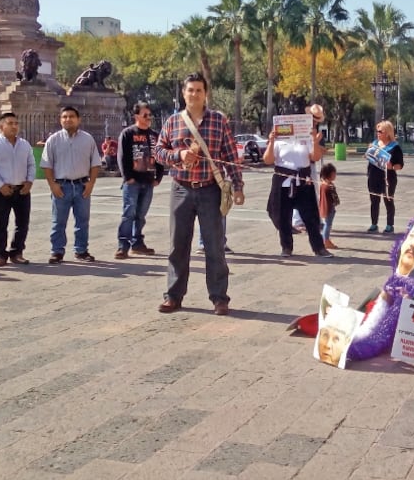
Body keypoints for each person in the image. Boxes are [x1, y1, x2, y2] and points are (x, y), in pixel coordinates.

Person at [153, 72, 245, 315]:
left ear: (206, 94)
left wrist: (238, 186)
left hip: (210, 190)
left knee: (215, 246)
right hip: (181, 188)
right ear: (183, 93)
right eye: (190, 90)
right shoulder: (173, 122)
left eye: (199, 90)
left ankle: (219, 298)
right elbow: (158, 151)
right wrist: (178, 156)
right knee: (177, 245)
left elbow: (230, 156)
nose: (194, 94)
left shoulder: (218, 121)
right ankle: (173, 296)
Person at [264, 104, 333, 257]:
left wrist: (315, 142)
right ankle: (286, 247)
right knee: (283, 216)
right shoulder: (279, 139)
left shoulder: (308, 136)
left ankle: (319, 248)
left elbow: (315, 157)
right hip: (283, 181)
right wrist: (271, 141)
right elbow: (268, 160)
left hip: (303, 180)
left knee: (311, 217)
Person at [40, 106, 101, 263]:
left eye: (71, 116)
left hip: (82, 185)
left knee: (82, 221)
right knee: (58, 221)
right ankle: (57, 251)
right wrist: (52, 185)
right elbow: (46, 165)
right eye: (65, 117)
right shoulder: (53, 140)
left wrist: (91, 183)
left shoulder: (88, 139)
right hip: (61, 186)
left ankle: (81, 251)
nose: (68, 119)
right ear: (60, 120)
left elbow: (95, 163)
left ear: (78, 119)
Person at [0, 112, 35, 267]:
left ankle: (17, 252)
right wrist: (0, 184)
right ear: (1, 126)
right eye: (10, 123)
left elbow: (31, 164)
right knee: (0, 224)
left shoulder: (24, 144)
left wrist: (29, 182)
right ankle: (0, 254)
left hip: (22, 190)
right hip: (2, 191)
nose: (14, 126)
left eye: (16, 123)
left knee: (22, 223)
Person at [115, 101, 164, 259]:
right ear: (136, 116)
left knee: (141, 215)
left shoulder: (154, 135)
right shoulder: (128, 133)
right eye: (145, 115)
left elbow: (160, 156)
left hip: (148, 181)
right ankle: (123, 245)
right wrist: (127, 177)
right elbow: (121, 156)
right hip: (133, 181)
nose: (148, 117)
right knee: (129, 213)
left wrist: (159, 177)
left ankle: (138, 243)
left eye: (150, 115)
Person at [365, 120, 404, 233]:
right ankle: (374, 224)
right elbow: (370, 157)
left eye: (380, 131)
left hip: (388, 178)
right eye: (377, 131)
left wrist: (391, 167)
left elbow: (400, 165)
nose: (378, 133)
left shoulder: (395, 147)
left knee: (388, 200)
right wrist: (368, 153)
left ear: (387, 132)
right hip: (373, 177)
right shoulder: (374, 144)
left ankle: (389, 225)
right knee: (374, 201)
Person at [318, 162, 340, 250]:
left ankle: (326, 239)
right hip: (329, 209)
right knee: (328, 225)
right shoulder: (328, 186)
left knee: (328, 224)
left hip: (328, 208)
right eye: (334, 174)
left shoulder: (324, 184)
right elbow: (333, 199)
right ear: (330, 174)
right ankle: (326, 241)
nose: (335, 175)